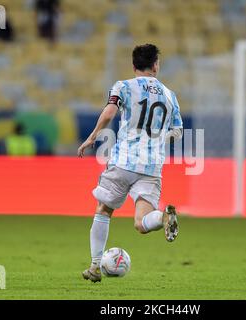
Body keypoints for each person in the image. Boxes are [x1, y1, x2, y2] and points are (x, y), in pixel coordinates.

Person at [77, 44, 183, 283]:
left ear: (134, 65)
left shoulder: (123, 86)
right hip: (152, 167)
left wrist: (92, 137)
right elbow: (177, 131)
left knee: (104, 210)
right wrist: (158, 138)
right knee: (141, 223)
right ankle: (162, 217)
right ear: (155, 65)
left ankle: (95, 267)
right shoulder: (169, 94)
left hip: (124, 161)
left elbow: (109, 113)